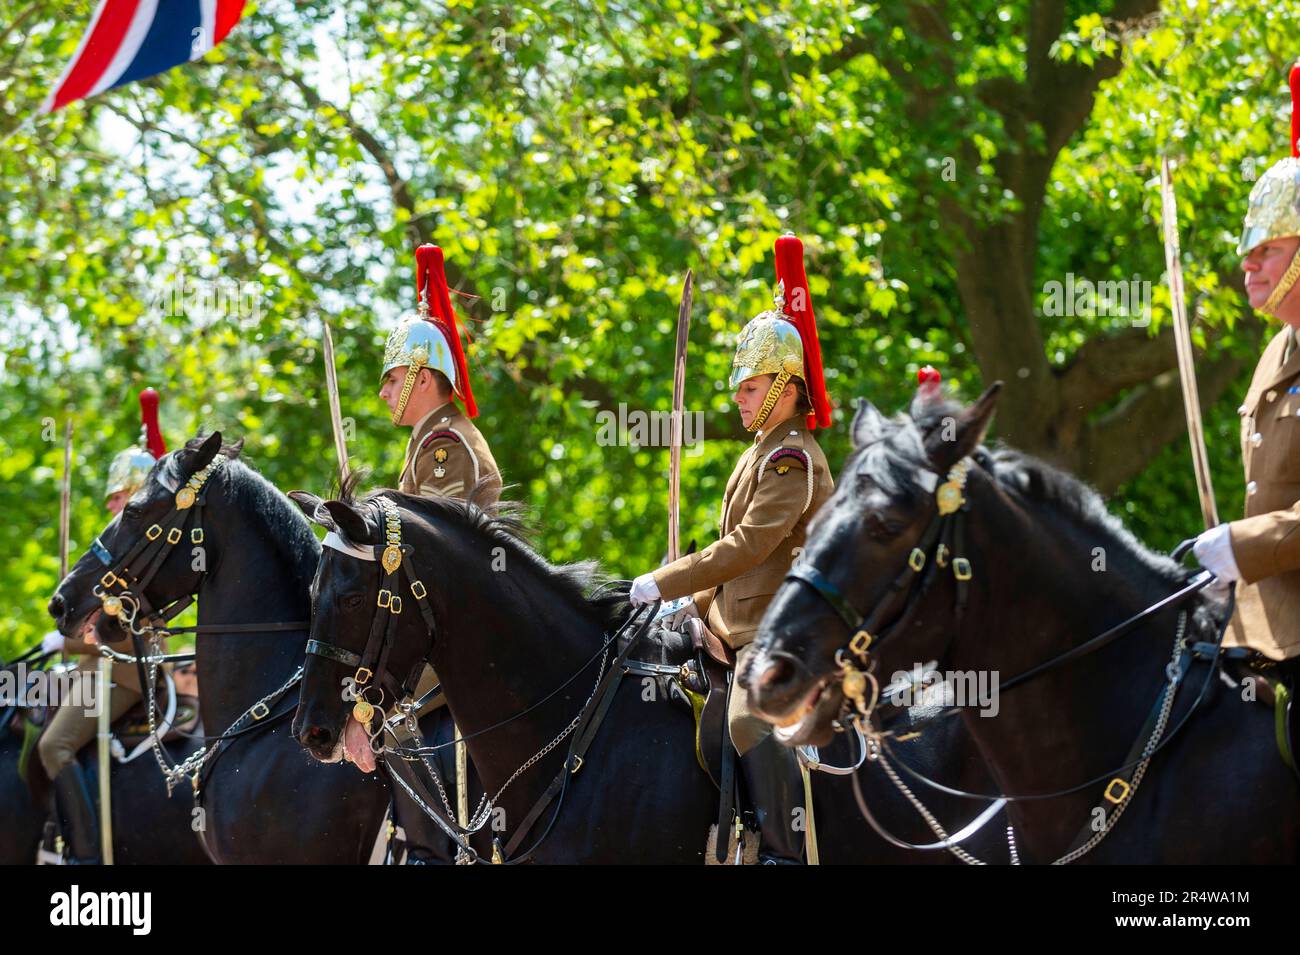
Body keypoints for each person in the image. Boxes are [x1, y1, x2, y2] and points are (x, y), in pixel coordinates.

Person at [629, 234, 834, 863]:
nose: (737, 400)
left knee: (749, 720)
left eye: (748, 389)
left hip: (780, 634)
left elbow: (747, 547)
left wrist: (665, 582)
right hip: (730, 629)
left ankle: (782, 849)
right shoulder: (761, 450)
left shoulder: (791, 457)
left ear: (780, 385)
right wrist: (690, 610)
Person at [374, 244, 501, 863]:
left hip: (458, 625)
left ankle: (429, 849)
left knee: (378, 700)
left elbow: (436, 550)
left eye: (392, 378)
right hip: (437, 618)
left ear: (422, 379)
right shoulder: (429, 442)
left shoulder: (446, 445)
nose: (383, 393)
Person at [1194, 63, 1300, 665]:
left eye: (1269, 250)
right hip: (1266, 633)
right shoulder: (1274, 354)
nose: (1248, 266)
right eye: (1248, 252)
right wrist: (1231, 566)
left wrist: (1242, 546)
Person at [38, 388, 166, 863]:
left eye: (120, 496)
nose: (112, 504)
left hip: (126, 673)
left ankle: (86, 853)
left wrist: (68, 645)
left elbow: (121, 640)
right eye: (113, 496)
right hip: (97, 671)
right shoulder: (115, 553)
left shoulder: (142, 558)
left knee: (54, 747)